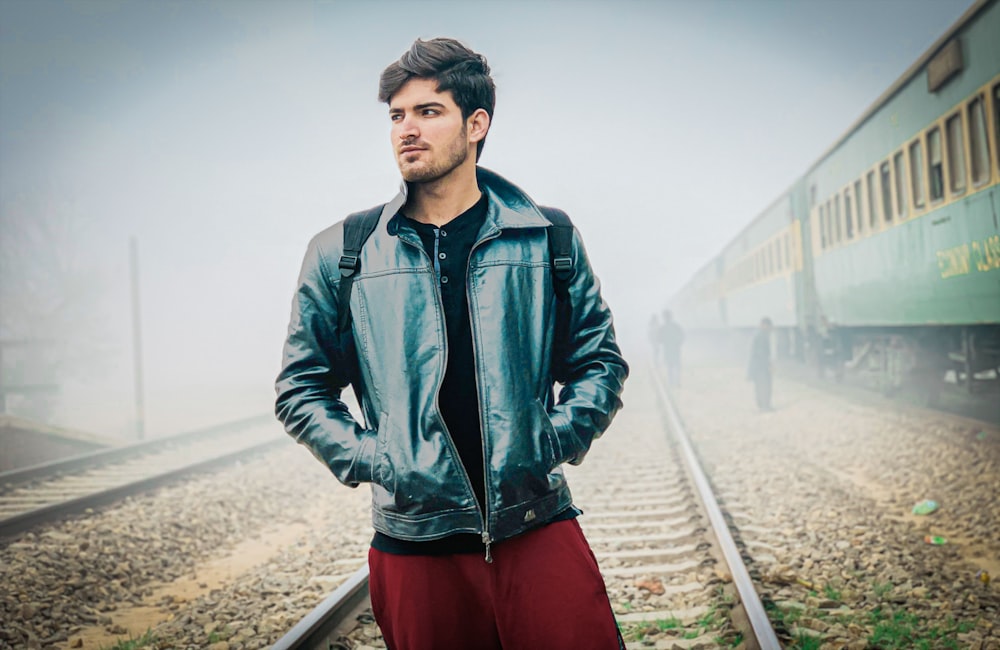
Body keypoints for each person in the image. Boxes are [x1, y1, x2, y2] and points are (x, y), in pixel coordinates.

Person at [275, 37, 629, 649]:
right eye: (396, 115)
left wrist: (553, 438)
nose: (406, 129)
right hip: (415, 544)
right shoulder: (344, 253)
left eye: (427, 111)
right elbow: (301, 389)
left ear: (476, 123)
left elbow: (599, 361)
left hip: (535, 526)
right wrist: (376, 459)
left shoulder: (547, 237)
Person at [747, 317, 773, 411]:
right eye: (769, 326)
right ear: (764, 325)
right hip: (761, 367)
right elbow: (762, 353)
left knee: (759, 387)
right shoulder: (762, 335)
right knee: (765, 386)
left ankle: (761, 405)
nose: (770, 329)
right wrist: (768, 365)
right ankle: (765, 406)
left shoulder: (757, 333)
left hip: (756, 366)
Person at [659, 309, 684, 386]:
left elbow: (659, 339)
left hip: (670, 349)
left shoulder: (664, 328)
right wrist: (678, 342)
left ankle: (673, 382)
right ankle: (676, 382)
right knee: (675, 366)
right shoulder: (675, 326)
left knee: (671, 366)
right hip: (674, 349)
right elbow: (682, 335)